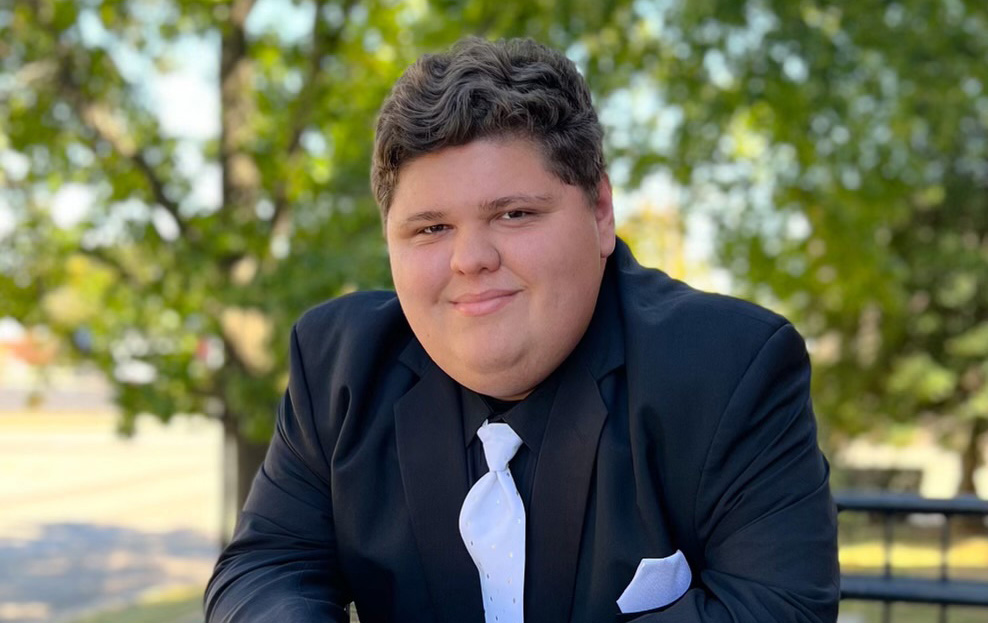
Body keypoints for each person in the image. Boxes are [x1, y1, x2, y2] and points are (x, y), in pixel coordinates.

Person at [205, 37, 839, 623]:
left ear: (599, 212)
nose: (470, 258)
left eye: (513, 214)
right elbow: (265, 569)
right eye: (431, 228)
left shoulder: (731, 367)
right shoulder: (336, 365)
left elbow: (778, 608)